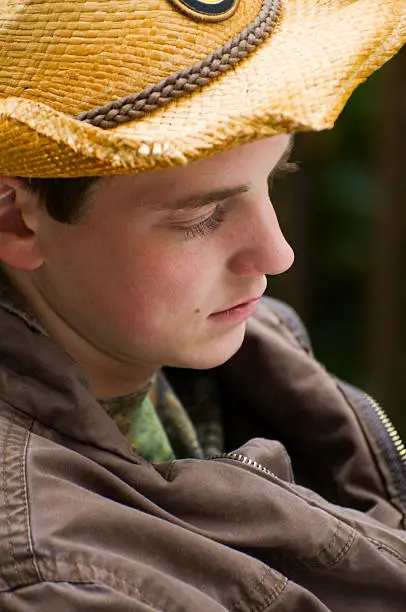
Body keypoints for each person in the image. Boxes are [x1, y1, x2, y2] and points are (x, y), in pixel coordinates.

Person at [0, 0, 405, 609]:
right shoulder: (54, 579)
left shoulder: (243, 351)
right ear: (16, 221)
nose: (277, 255)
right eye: (201, 216)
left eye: (277, 176)